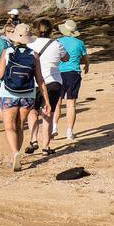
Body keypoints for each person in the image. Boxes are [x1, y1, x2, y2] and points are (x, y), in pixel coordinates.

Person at [0, 23, 52, 173]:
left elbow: (0, 75)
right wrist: (47, 100)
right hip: (28, 94)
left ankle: (15, 154)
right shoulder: (34, 54)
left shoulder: (7, 52)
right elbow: (40, 79)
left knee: (9, 127)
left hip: (9, 94)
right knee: (19, 126)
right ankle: (16, 154)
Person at [25, 19, 69, 155]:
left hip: (34, 82)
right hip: (54, 82)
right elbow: (66, 58)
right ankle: (46, 146)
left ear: (36, 30)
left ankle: (33, 140)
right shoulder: (57, 44)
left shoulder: (30, 43)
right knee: (47, 114)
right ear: (51, 30)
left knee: (32, 111)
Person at [54, 18, 88, 140]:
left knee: (57, 102)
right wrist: (87, 66)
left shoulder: (57, 41)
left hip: (59, 73)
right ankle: (69, 131)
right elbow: (84, 59)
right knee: (71, 103)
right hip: (73, 73)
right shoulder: (80, 43)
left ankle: (54, 127)